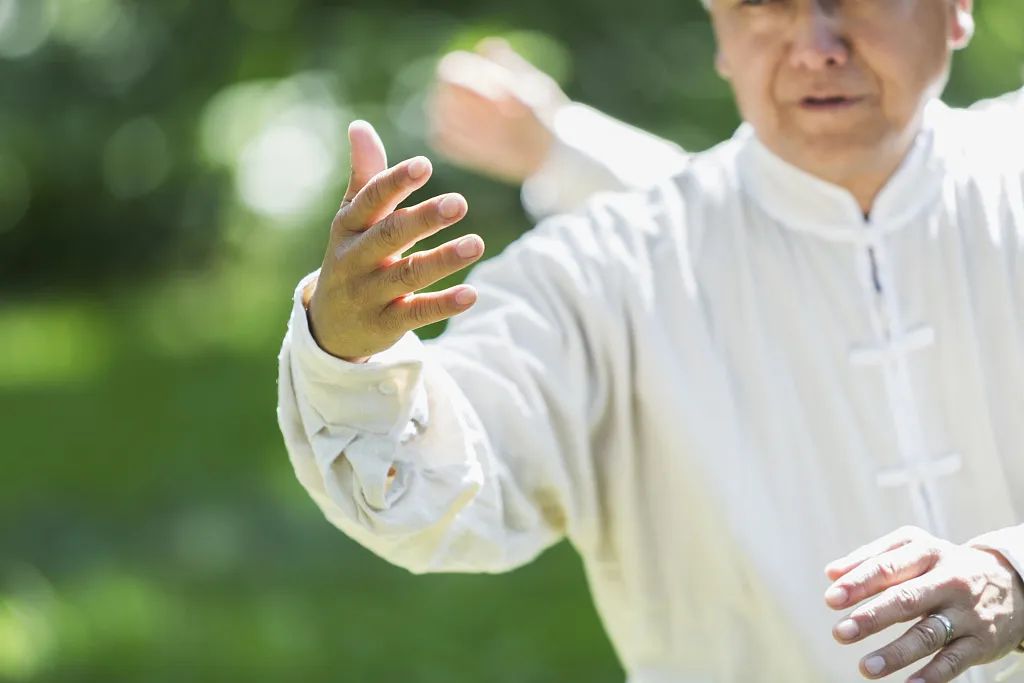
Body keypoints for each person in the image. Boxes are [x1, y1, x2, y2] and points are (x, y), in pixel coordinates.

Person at [275, 0, 1024, 681]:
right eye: (765, 6)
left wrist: (1013, 572)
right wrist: (347, 353)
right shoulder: (604, 270)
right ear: (720, 35)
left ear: (957, 10)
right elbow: (431, 481)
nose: (816, 46)